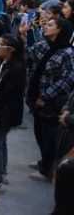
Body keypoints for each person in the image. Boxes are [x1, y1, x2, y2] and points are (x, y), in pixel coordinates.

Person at [26, 18, 74, 180]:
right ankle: (44, 161)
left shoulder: (67, 52)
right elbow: (28, 52)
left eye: (50, 25)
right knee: (39, 131)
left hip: (52, 101)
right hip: (38, 97)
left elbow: (67, 79)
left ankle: (47, 169)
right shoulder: (46, 45)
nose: (45, 26)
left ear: (60, 29)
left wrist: (46, 96)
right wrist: (22, 34)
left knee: (49, 135)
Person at [0, 33, 26, 188]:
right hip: (0, 110)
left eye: (0, 45)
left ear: (10, 49)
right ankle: (1, 172)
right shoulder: (3, 62)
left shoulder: (16, 69)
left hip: (5, 112)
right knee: (0, 141)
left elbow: (5, 93)